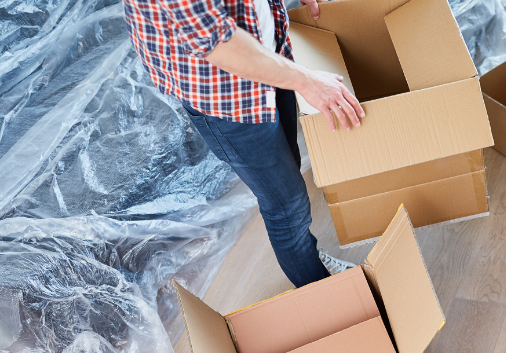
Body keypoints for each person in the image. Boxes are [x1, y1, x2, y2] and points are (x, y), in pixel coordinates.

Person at [122, 0, 362, 287]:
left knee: (289, 179)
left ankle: (309, 258)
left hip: (267, 54)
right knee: (287, 205)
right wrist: (307, 82)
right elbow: (219, 44)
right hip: (226, 93)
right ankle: (331, 297)